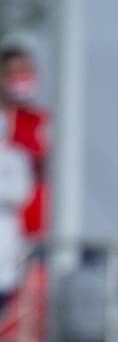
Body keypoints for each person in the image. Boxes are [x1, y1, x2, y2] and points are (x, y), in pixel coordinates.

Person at [0, 42, 47, 243]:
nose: (19, 78)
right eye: (13, 72)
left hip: (37, 229)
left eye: (25, 71)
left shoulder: (42, 123)